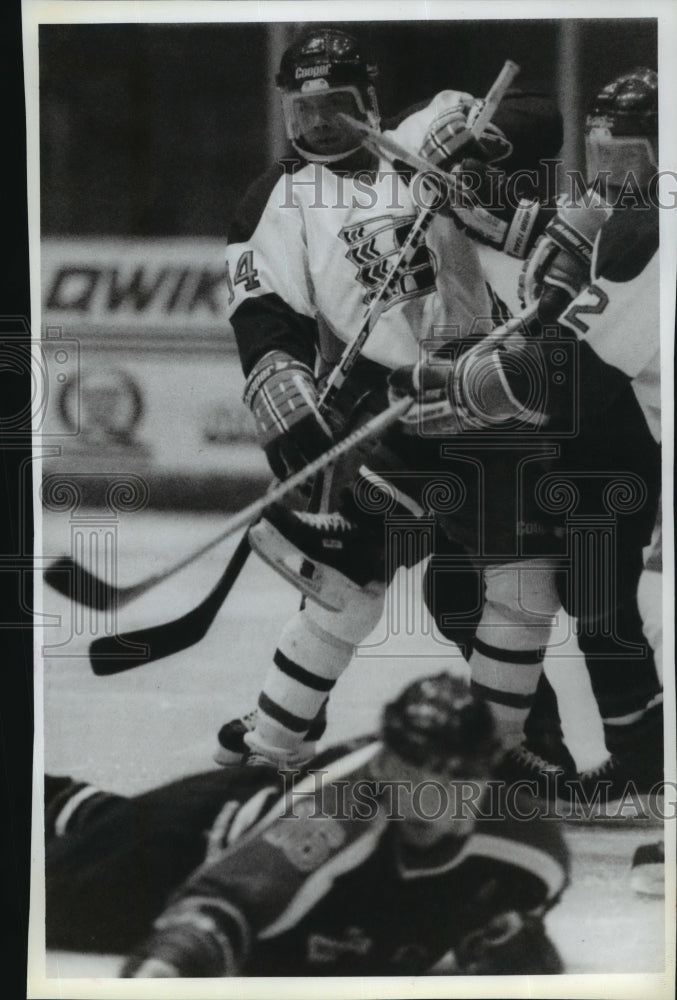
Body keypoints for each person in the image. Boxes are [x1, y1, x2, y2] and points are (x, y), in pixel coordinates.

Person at [217, 26, 566, 768]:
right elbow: (266, 320)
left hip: (486, 391)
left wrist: (477, 146)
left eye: (337, 106)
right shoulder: (274, 201)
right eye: (302, 110)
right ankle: (272, 744)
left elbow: (539, 116)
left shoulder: (422, 130)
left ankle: (504, 757)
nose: (320, 124)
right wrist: (291, 413)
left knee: (521, 582)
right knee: (343, 587)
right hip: (388, 408)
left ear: (369, 100)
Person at [383, 69, 663, 810]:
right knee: (476, 590)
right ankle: (555, 751)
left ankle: (641, 763)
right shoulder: (600, 207)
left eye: (628, 154)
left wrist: (464, 395)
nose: (609, 174)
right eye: (601, 153)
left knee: (602, 602)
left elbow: (571, 369)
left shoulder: (643, 225)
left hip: (604, 435)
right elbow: (541, 241)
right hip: (571, 432)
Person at [45, 673, 569, 976]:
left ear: (483, 781)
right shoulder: (337, 819)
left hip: (258, 809)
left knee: (101, 822)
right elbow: (219, 908)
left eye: (454, 776)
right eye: (406, 763)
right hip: (183, 851)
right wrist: (168, 966)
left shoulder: (532, 852)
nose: (422, 793)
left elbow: (514, 927)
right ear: (383, 760)